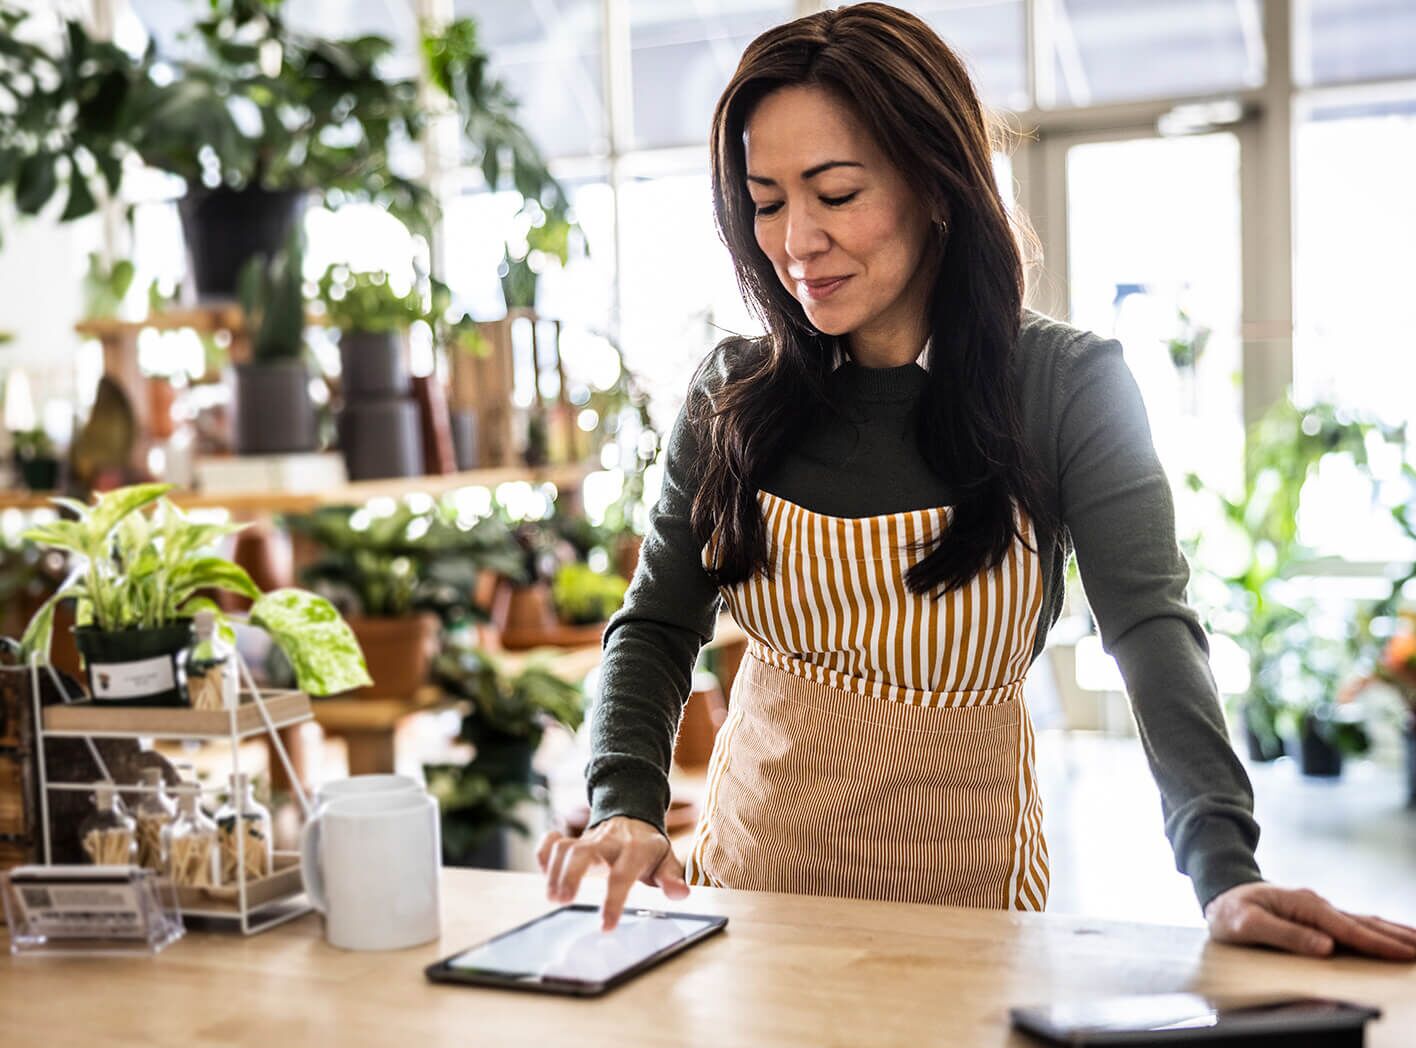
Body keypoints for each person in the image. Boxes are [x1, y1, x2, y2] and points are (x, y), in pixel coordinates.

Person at [536, 2, 1416, 960]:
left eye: (835, 193)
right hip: (755, 905)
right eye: (767, 199)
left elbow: (1152, 633)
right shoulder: (733, 394)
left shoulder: (1065, 386)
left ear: (937, 185)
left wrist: (1226, 870)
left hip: (971, 914)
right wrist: (624, 805)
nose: (796, 240)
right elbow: (658, 624)